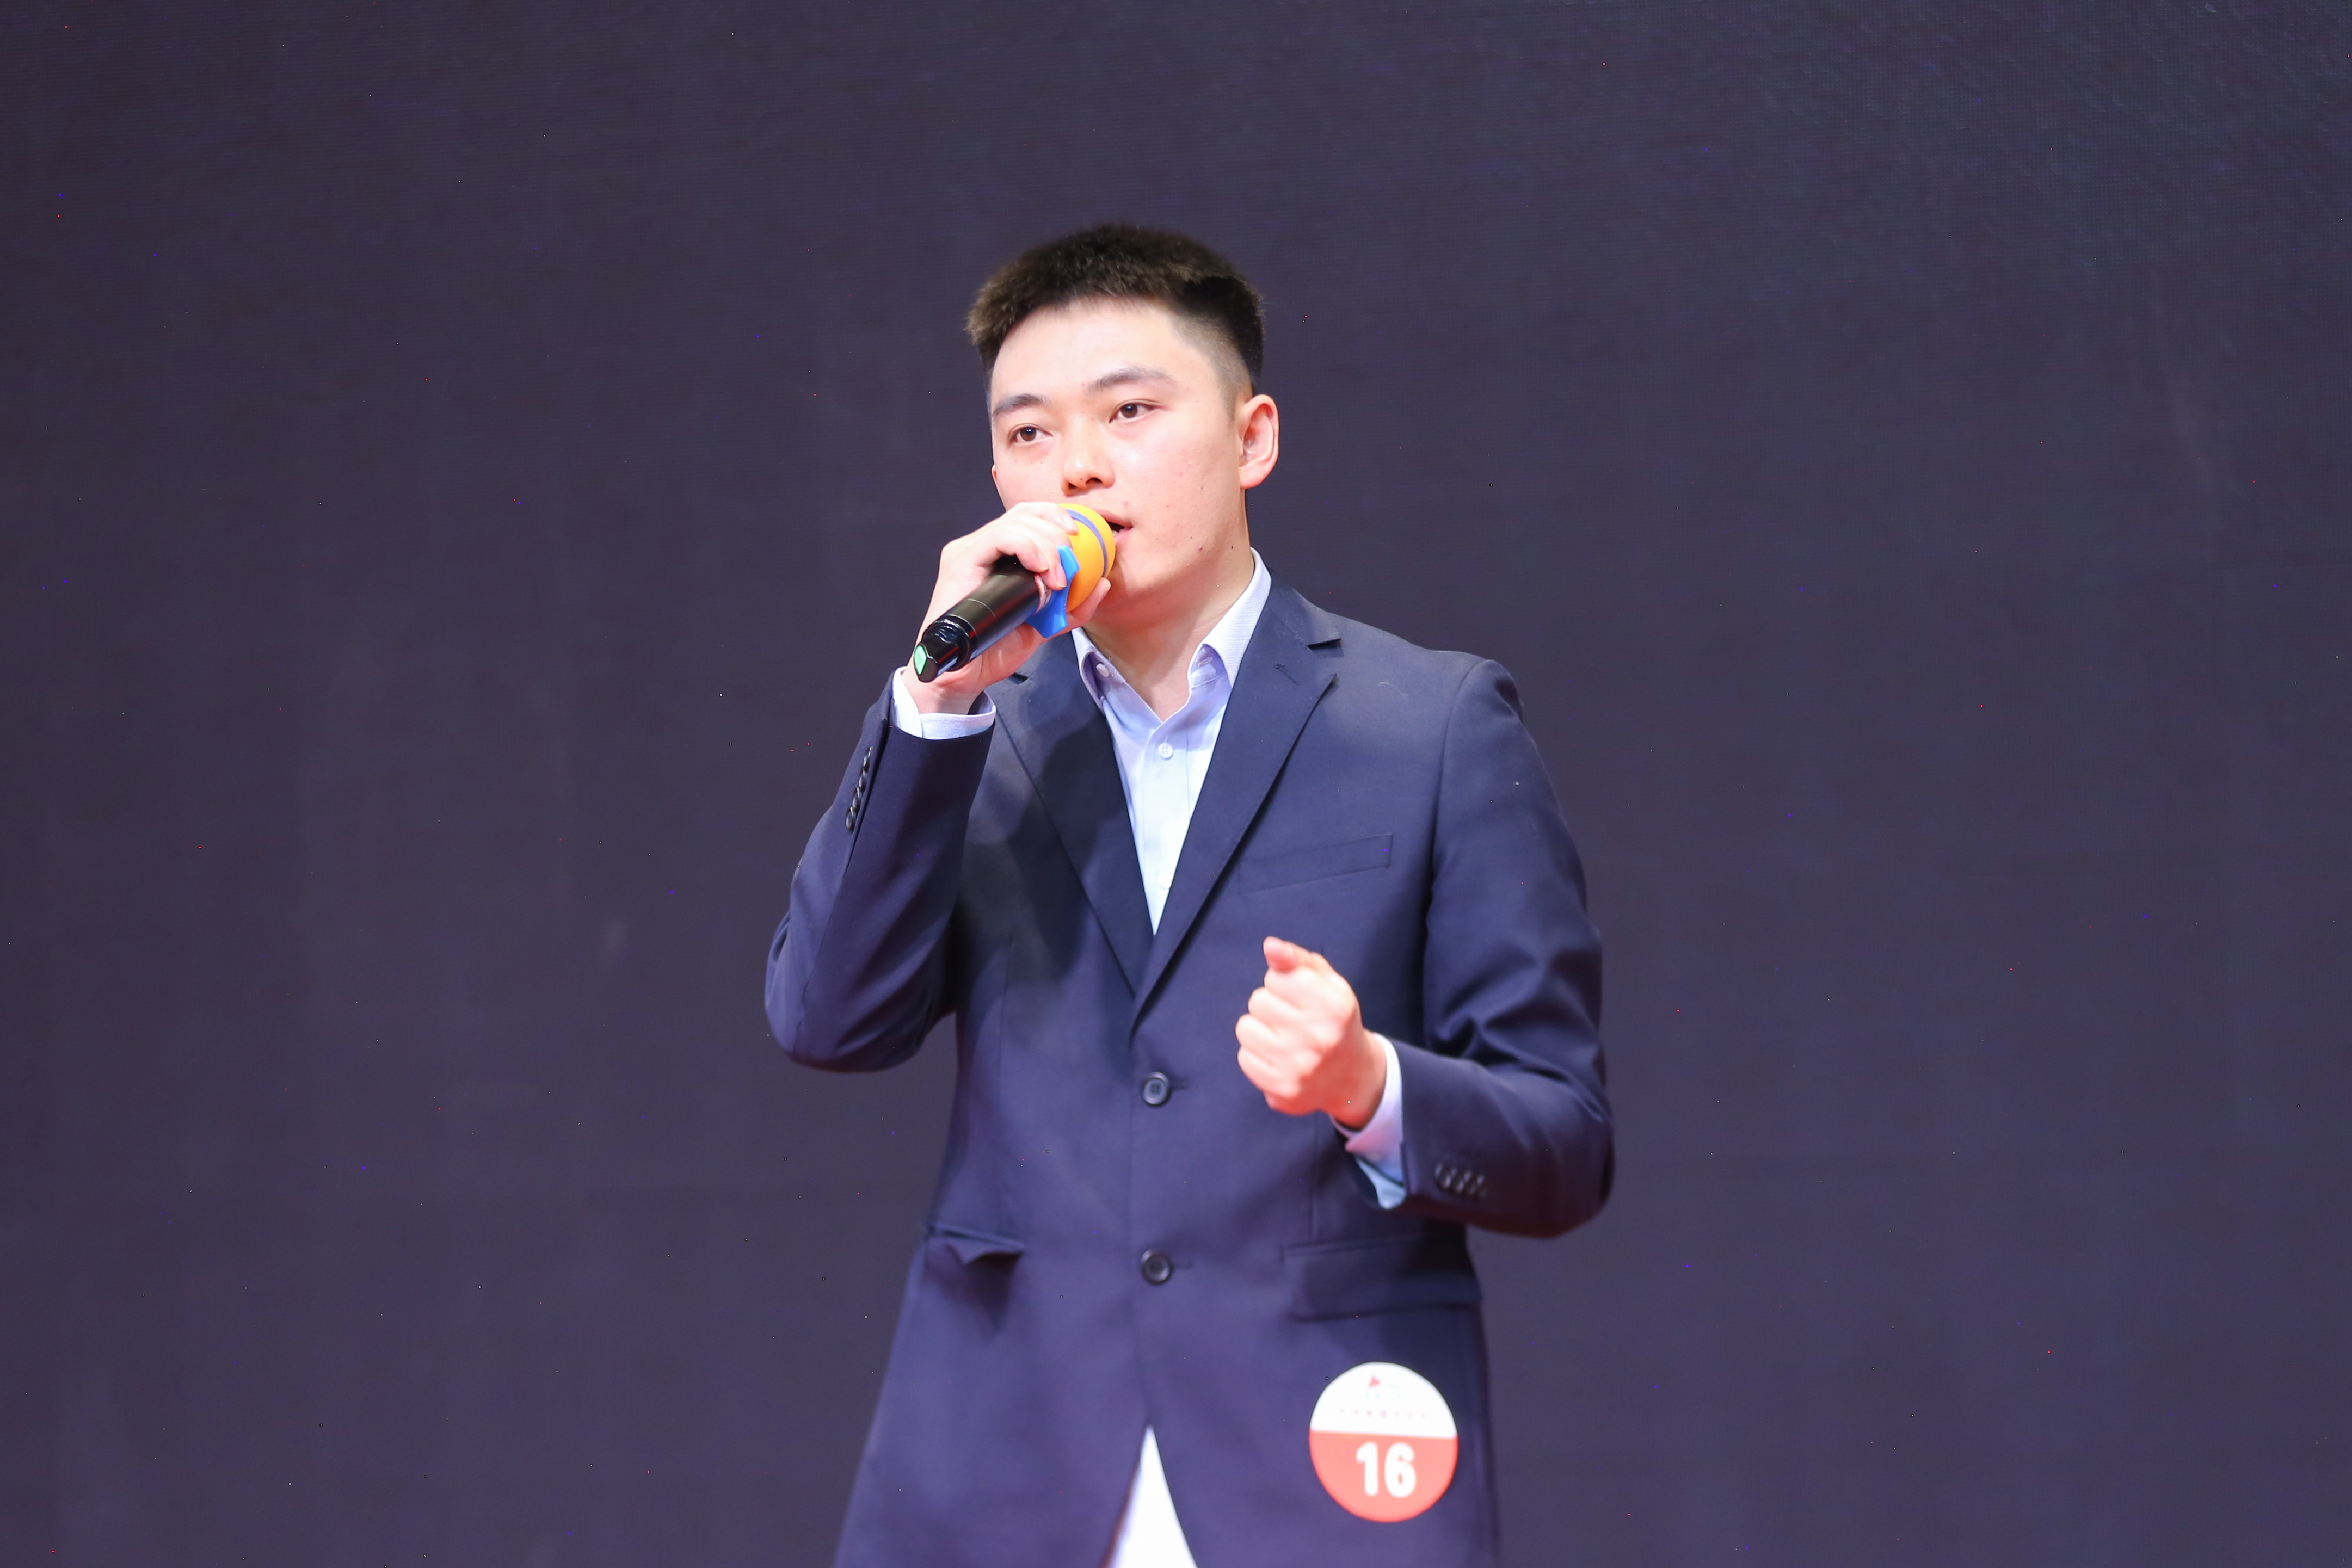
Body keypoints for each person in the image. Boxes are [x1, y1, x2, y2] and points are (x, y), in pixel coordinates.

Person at [767, 225, 1611, 1568]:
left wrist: (1370, 1086)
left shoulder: (1430, 725)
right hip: (1008, 1468)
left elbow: (1563, 1143)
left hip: (1318, 1469)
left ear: (1251, 436)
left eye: (1129, 412)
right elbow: (827, 1020)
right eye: (1029, 432)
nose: (1077, 465)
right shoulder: (974, 735)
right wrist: (932, 708)